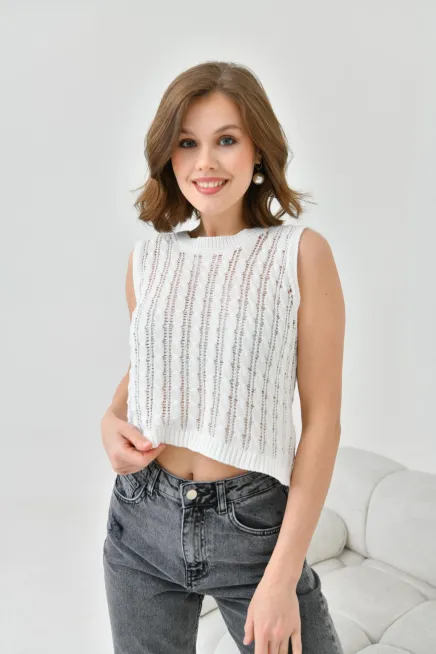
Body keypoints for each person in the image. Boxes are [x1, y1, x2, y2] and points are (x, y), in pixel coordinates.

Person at [101, 60, 345, 654]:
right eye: (187, 143)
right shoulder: (148, 260)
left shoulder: (299, 254)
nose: (205, 162)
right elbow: (156, 365)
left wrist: (280, 579)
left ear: (258, 150)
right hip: (141, 518)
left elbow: (322, 424)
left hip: (251, 529)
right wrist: (111, 419)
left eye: (226, 140)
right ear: (168, 156)